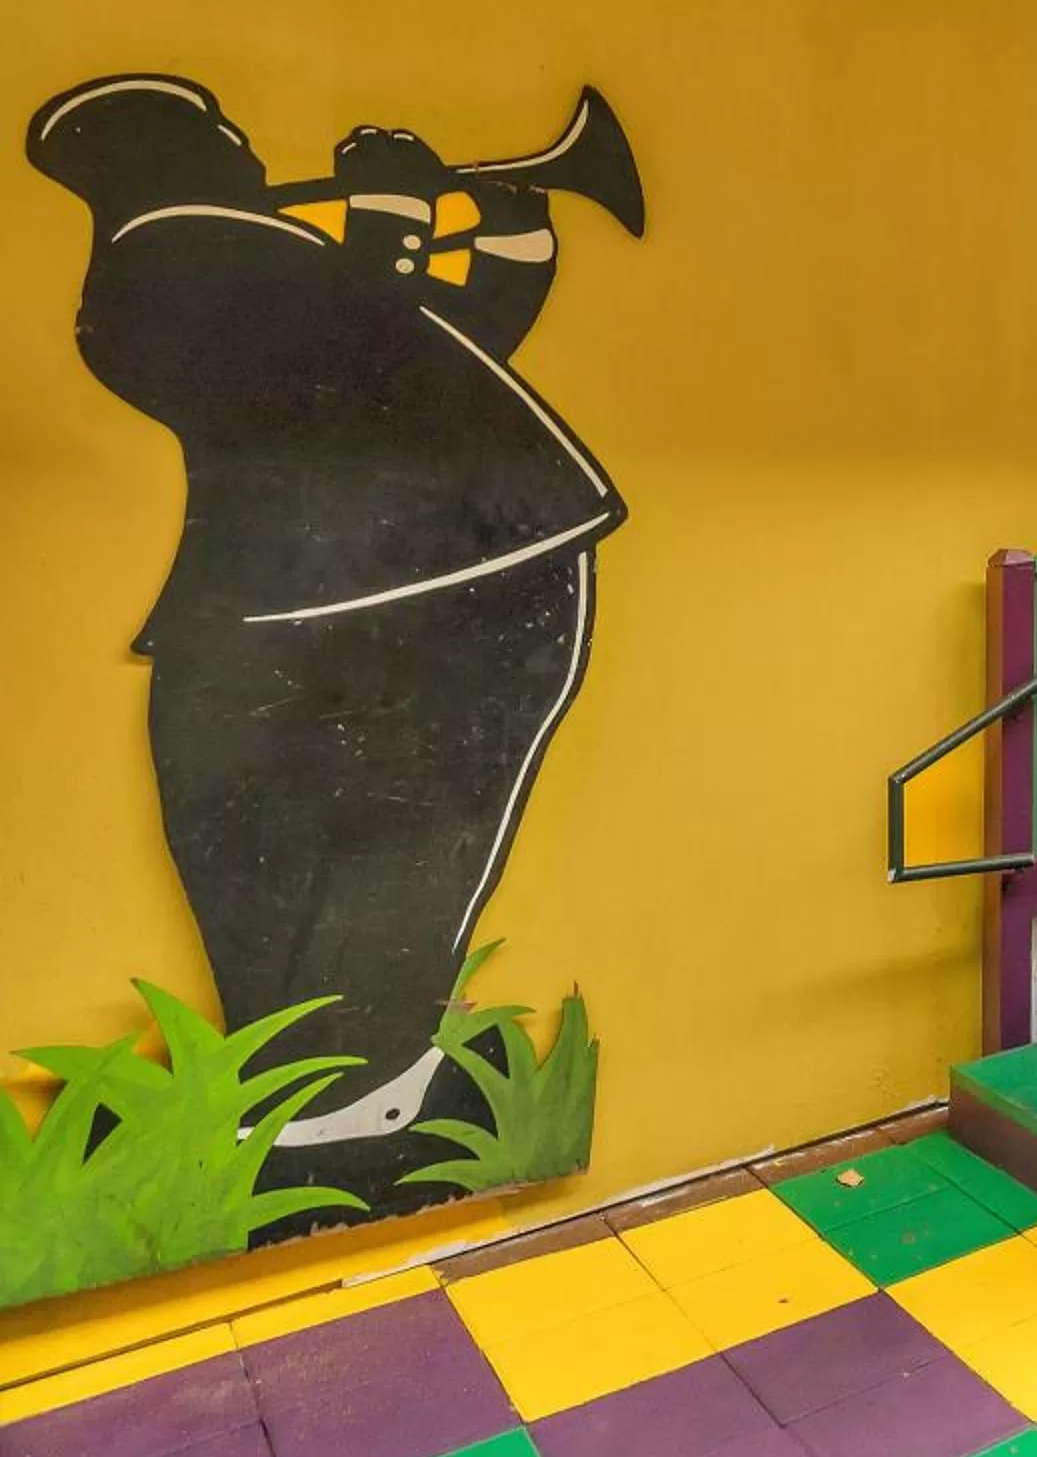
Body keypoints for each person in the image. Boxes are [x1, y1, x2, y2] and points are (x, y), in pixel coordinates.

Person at [24, 72, 636, 1216]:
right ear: (160, 153)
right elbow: (348, 350)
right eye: (217, 133)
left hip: (441, 576)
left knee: (408, 840)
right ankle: (329, 1118)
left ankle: (353, 1104)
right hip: (387, 595)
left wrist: (511, 224)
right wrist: (395, 215)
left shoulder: (239, 255)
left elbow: (445, 347)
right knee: (339, 848)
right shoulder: (163, 268)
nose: (247, 147)